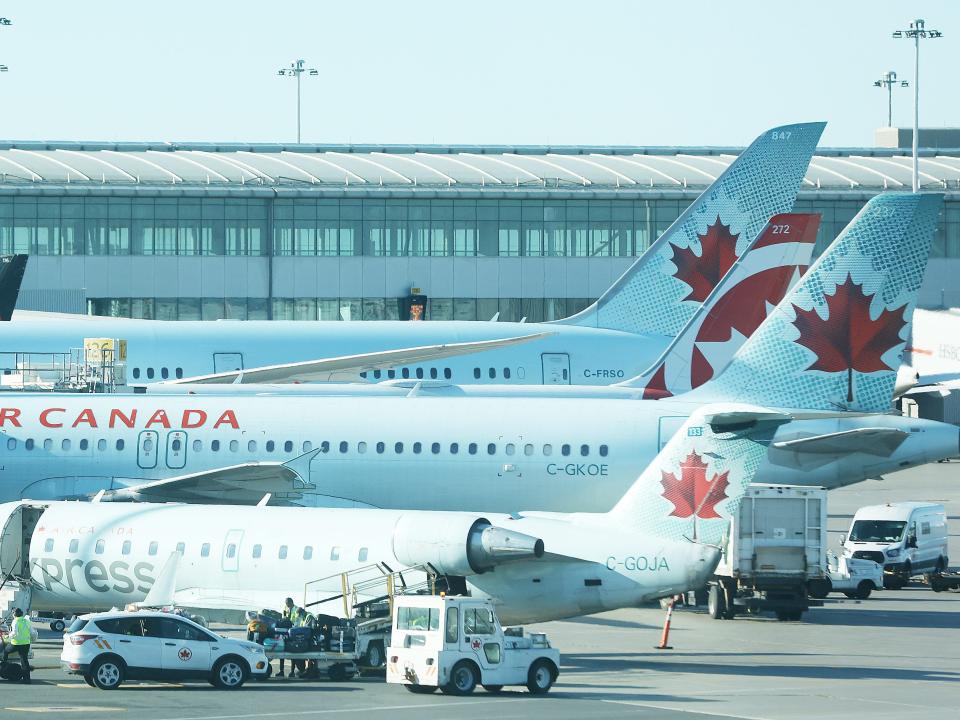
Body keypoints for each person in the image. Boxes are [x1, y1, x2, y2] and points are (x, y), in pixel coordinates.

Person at [4, 609, 31, 684]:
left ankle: (4, 665)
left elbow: (14, 633)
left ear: (14, 614)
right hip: (26, 643)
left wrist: (7, 636)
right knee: (24, 660)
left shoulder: (15, 621)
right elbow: (31, 631)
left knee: (6, 651)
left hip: (16, 643)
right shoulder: (26, 620)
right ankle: (27, 679)